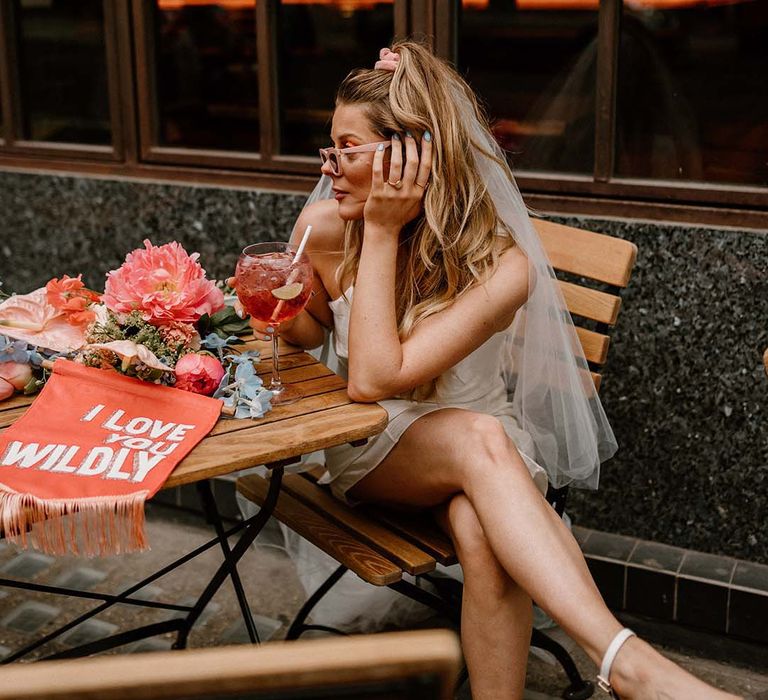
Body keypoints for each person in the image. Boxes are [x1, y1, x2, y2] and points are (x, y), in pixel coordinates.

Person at [243, 42, 736, 700]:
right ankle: (628, 665)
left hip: (484, 444)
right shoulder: (326, 228)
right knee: (482, 441)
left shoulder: (504, 266)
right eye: (329, 148)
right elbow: (352, 372)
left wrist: (386, 233)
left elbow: (379, 369)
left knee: (481, 525)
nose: (329, 166)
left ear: (407, 158)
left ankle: (599, 672)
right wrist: (277, 309)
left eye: (347, 148)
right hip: (374, 445)